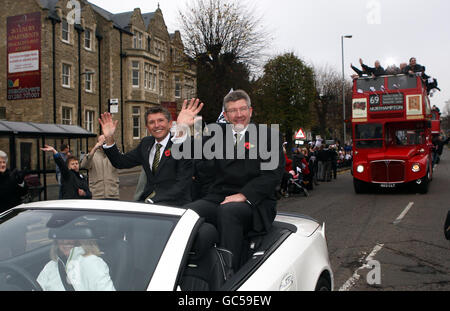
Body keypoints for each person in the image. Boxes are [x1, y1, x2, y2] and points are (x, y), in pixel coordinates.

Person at [175, 90, 284, 271]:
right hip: (218, 196)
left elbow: (272, 175)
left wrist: (243, 195)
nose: (239, 114)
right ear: (225, 115)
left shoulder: (268, 135)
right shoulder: (214, 135)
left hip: (255, 202)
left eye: (243, 109)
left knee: (228, 211)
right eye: (233, 111)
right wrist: (181, 129)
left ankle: (228, 272)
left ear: (251, 111)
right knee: (188, 213)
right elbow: (188, 157)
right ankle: (189, 269)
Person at [99, 106, 192, 206]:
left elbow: (183, 183)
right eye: (151, 122)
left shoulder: (181, 145)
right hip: (149, 204)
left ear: (170, 124)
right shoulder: (145, 144)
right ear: (147, 127)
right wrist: (109, 137)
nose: (156, 125)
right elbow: (120, 162)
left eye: (161, 120)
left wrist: (182, 128)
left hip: (176, 206)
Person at [37, 237, 115, 291]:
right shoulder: (51, 266)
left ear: (81, 239)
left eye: (70, 236)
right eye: (61, 237)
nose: (65, 242)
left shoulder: (92, 262)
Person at [80, 135, 119, 200]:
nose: (104, 143)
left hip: (112, 193)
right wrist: (94, 148)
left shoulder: (114, 154)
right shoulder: (92, 155)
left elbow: (122, 163)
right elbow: (84, 165)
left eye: (106, 141)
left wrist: (113, 148)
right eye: (102, 142)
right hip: (97, 194)